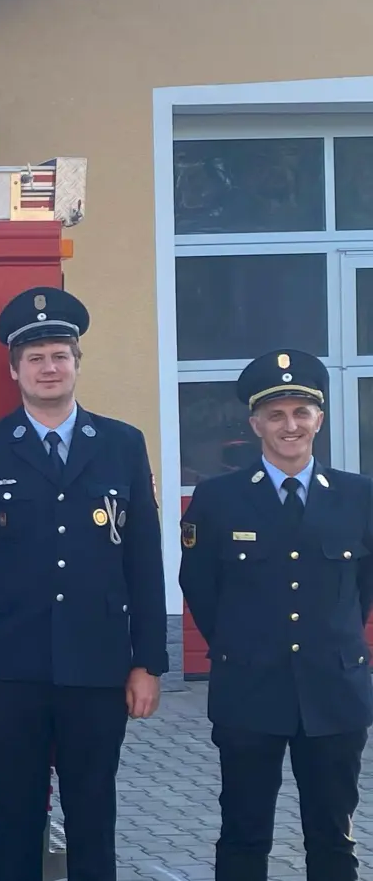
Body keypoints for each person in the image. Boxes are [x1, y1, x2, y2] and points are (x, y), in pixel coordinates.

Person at [0, 286, 167, 881]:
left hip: (97, 668)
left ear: (77, 364)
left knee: (93, 815)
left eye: (60, 354)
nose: (49, 367)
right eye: (35, 357)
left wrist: (150, 661)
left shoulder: (121, 445)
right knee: (15, 819)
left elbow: (143, 561)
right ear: (14, 369)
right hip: (10, 670)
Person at [178, 348, 373, 881]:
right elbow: (198, 584)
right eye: (277, 414)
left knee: (333, 839)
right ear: (256, 423)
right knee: (243, 835)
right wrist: (241, 644)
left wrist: (331, 640)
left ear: (320, 419)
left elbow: (363, 586)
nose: (291, 425)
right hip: (250, 691)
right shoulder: (219, 499)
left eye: (301, 412)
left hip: (333, 692)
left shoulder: (360, 497)